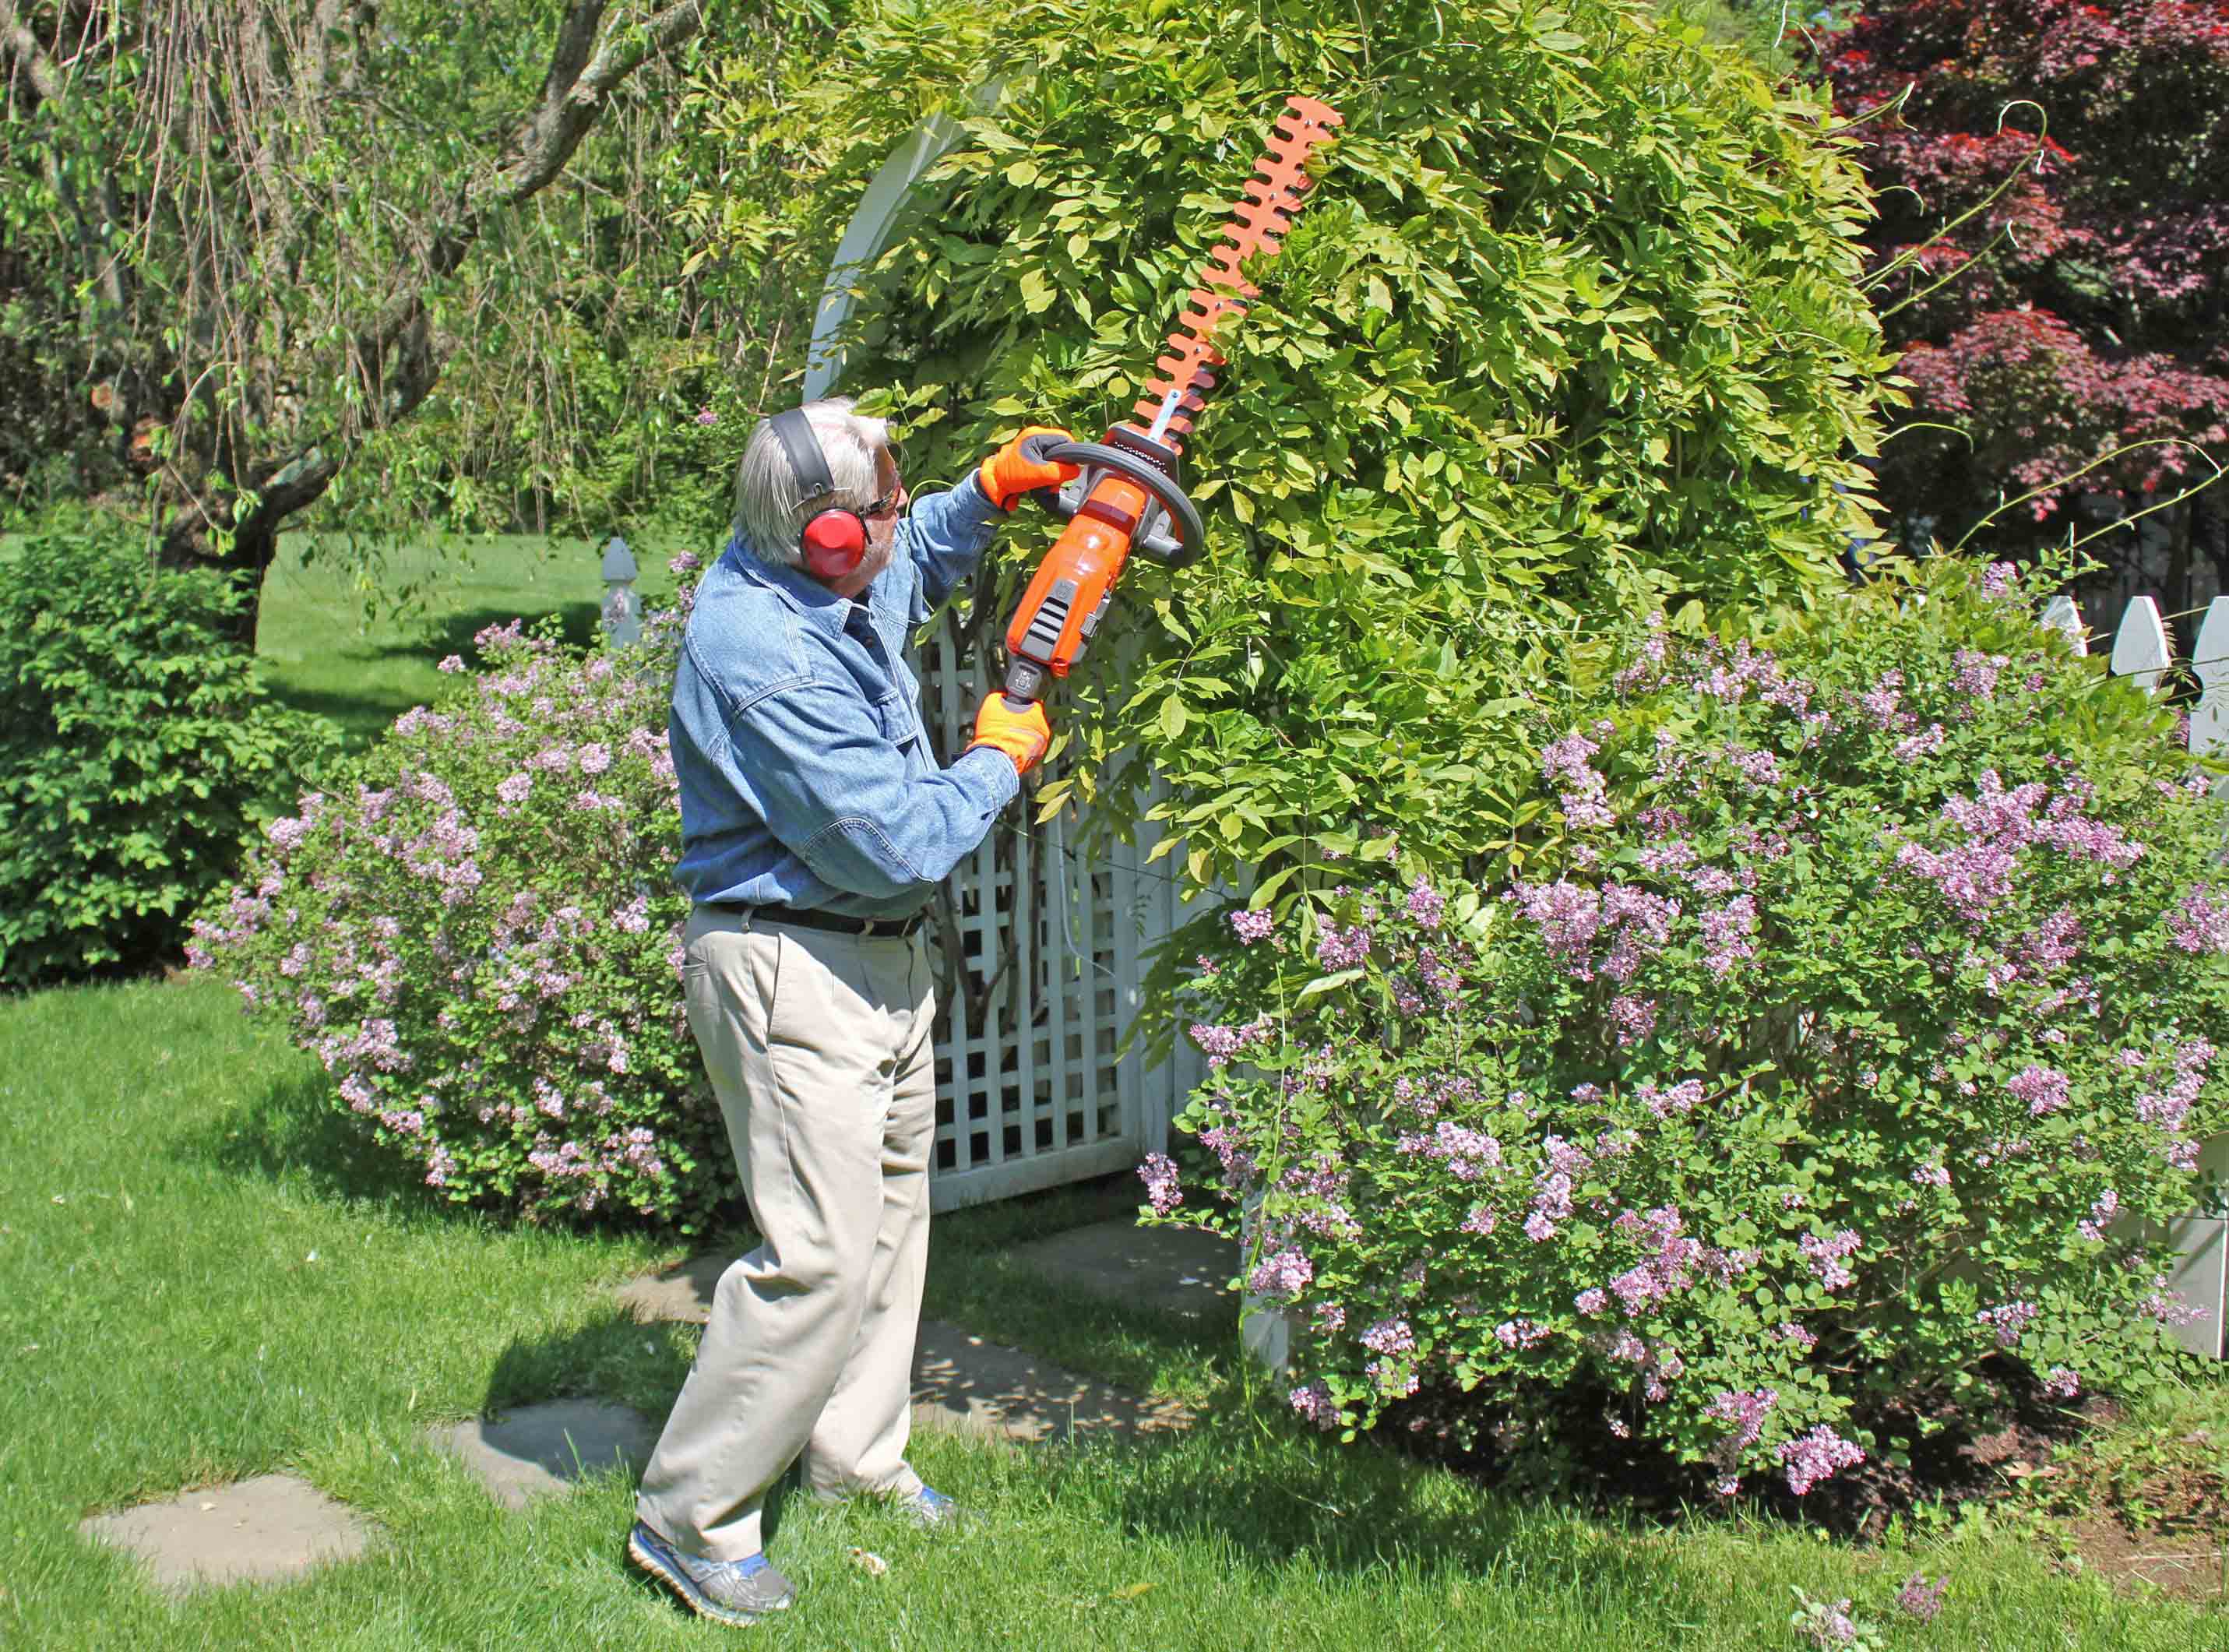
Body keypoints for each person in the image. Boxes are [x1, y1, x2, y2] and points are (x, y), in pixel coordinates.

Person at [625, 396, 1076, 1627]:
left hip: (871, 965)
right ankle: (688, 1515)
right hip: (793, 967)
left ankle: (856, 1457)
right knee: (816, 1255)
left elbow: (908, 564)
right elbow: (895, 842)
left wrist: (986, 492)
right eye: (882, 506)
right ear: (825, 536)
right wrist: (998, 755)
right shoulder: (759, 653)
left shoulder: (818, 574)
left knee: (884, 1224)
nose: (896, 519)